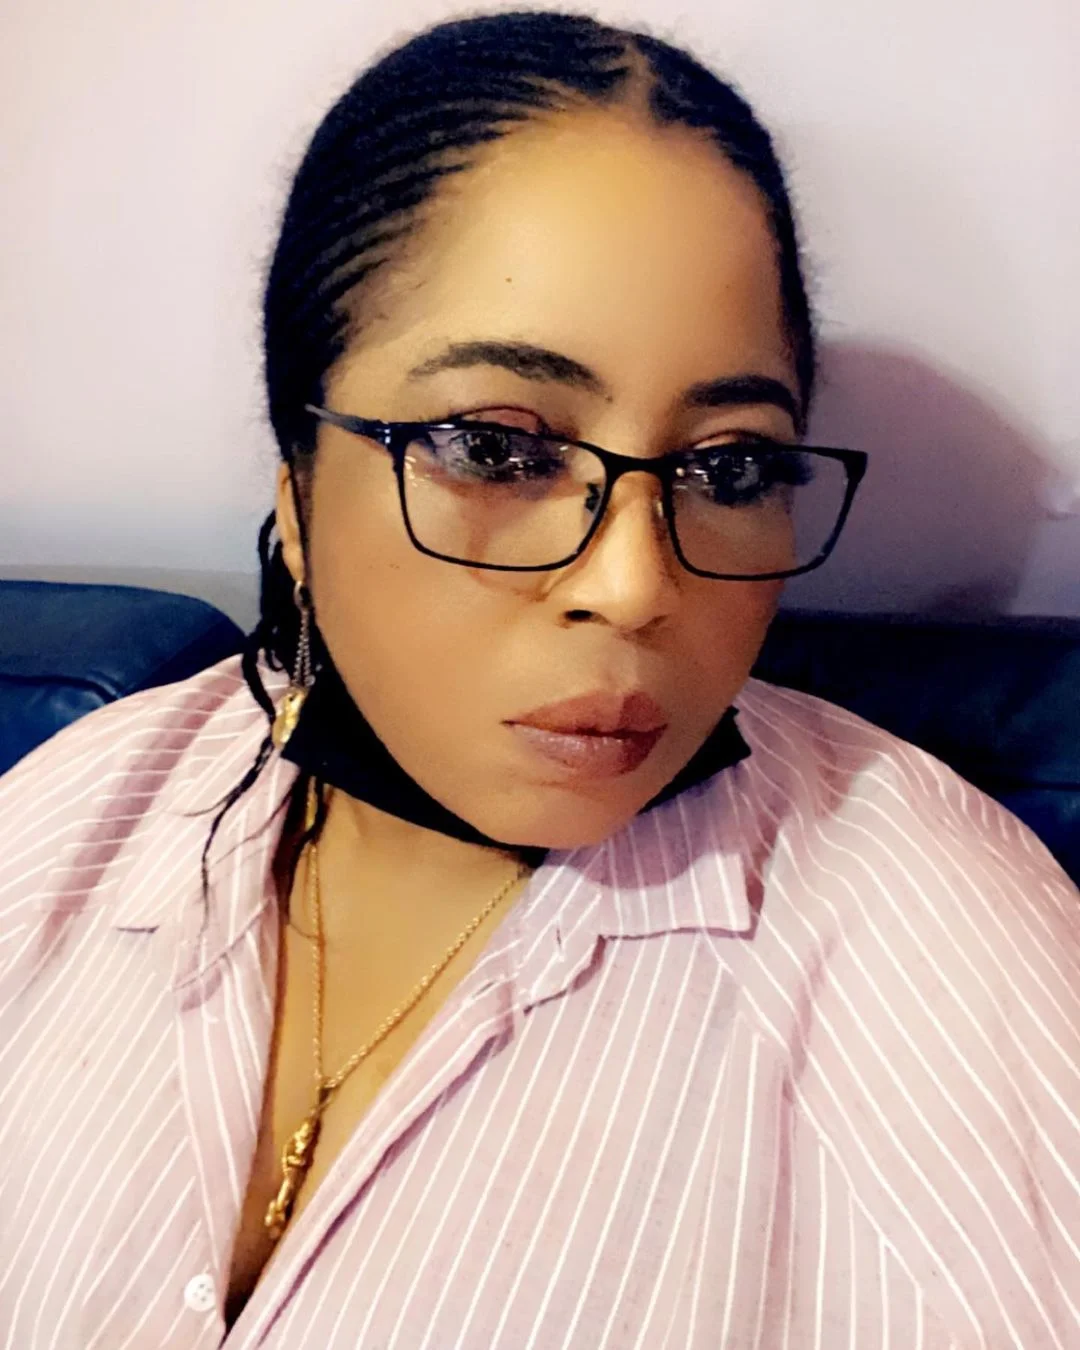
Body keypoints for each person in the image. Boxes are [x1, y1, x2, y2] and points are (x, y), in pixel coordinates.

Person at [0, 10, 1077, 1348]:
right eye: (497, 448)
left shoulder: (935, 958)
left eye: (731, 466)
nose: (633, 584)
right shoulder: (72, 825)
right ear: (298, 488)